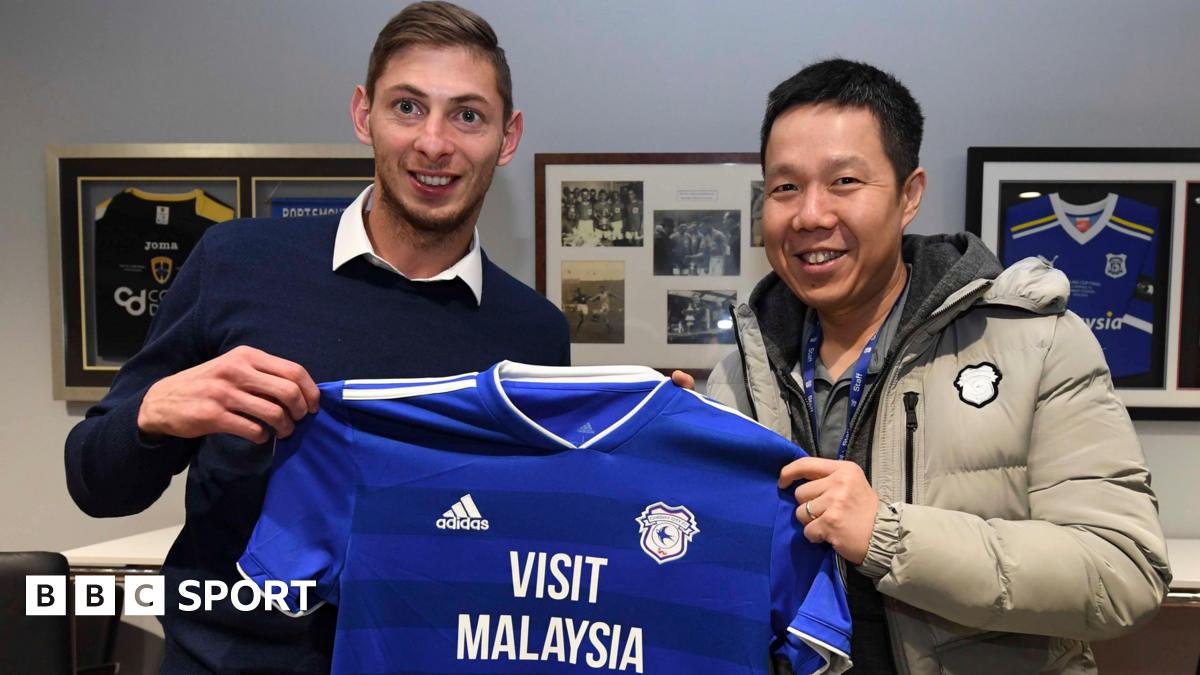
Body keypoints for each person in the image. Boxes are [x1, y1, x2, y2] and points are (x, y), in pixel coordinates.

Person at [63, 2, 570, 672]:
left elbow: (538, 541)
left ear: (508, 137)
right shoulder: (236, 262)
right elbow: (95, 482)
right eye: (408, 107)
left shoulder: (536, 333)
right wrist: (153, 415)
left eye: (468, 115)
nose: (435, 142)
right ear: (364, 115)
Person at [683, 58, 1170, 673]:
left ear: (909, 195)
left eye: (844, 182)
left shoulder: (1038, 343)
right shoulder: (734, 377)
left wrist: (885, 535)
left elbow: (1122, 573)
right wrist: (670, 462)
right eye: (784, 187)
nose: (809, 214)